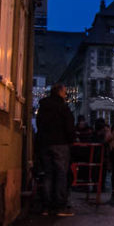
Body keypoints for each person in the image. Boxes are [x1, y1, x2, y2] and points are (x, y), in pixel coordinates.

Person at [36, 83, 76, 217]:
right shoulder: (63, 108)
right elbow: (69, 126)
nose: (66, 94)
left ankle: (46, 206)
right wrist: (71, 140)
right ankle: (60, 206)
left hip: (45, 143)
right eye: (65, 92)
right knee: (61, 174)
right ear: (59, 92)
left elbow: (39, 124)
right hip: (60, 143)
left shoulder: (43, 107)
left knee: (48, 173)